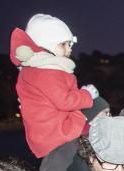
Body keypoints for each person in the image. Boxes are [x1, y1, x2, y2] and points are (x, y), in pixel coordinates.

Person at [9, 14, 97, 160]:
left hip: (45, 136)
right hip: (59, 133)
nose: (69, 49)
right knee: (101, 137)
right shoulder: (46, 72)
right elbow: (64, 101)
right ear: (47, 45)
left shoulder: (34, 69)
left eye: (71, 44)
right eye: (64, 44)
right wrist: (87, 94)